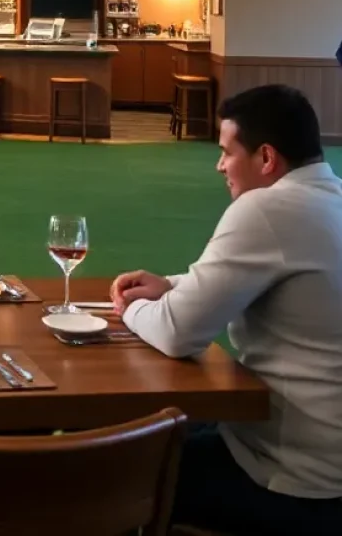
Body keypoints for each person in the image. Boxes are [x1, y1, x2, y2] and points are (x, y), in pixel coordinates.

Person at [111, 84, 342, 536]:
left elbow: (179, 332)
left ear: (266, 158)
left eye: (226, 152)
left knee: (119, 475)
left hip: (292, 479)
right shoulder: (329, 197)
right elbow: (265, 276)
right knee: (167, 432)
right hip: (325, 461)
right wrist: (171, 285)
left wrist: (126, 309)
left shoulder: (268, 208)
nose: (219, 166)